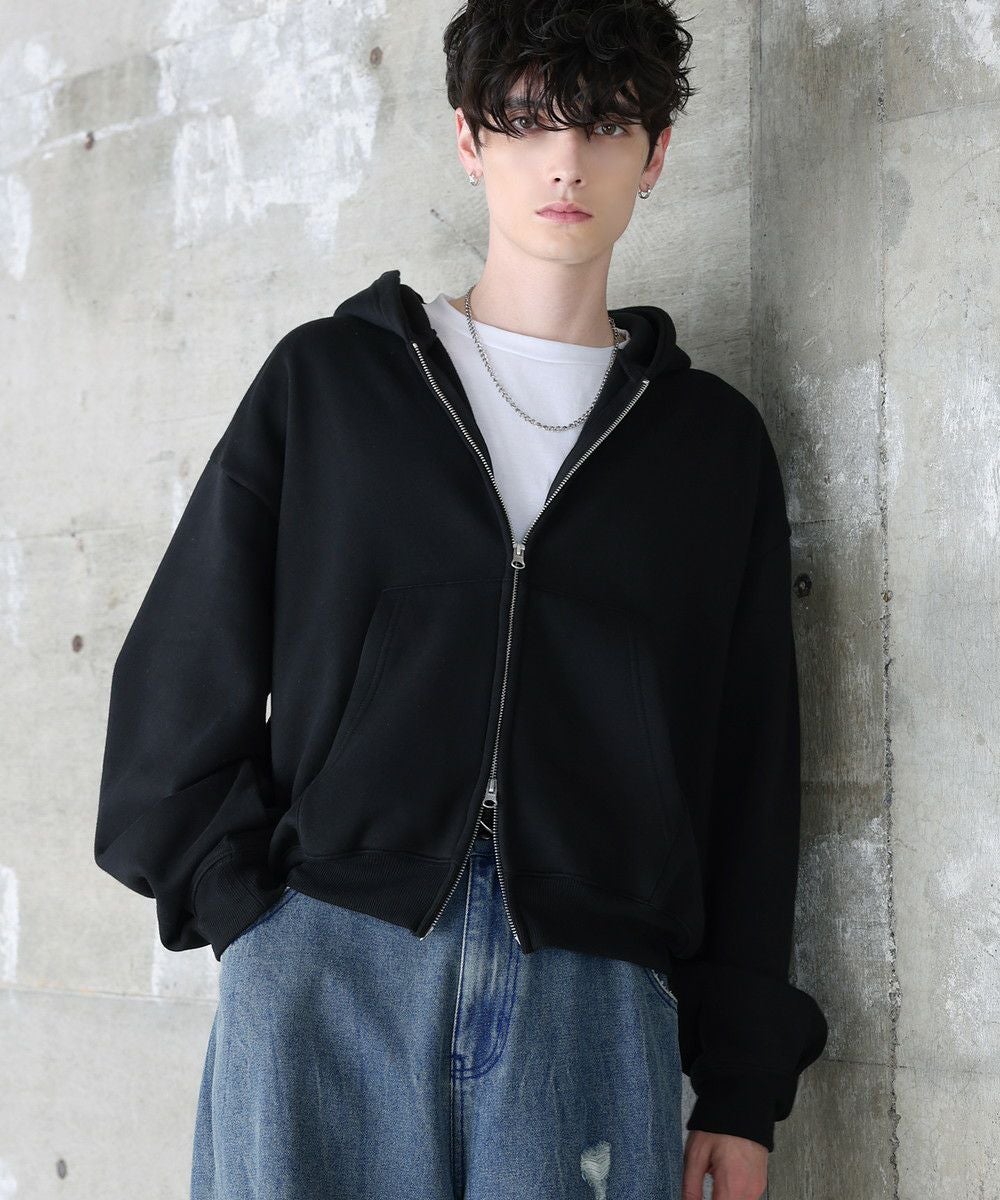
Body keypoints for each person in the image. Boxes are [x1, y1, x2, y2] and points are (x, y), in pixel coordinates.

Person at [94, 2, 828, 1197]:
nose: (564, 162)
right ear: (468, 140)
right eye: (528, 120)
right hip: (328, 969)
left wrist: (742, 1088)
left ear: (655, 154)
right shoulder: (332, 384)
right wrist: (252, 921)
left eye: (604, 125)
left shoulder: (710, 447)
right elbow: (182, 668)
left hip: (591, 999)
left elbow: (750, 770)